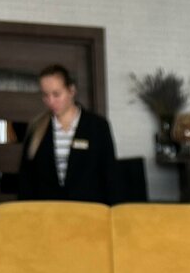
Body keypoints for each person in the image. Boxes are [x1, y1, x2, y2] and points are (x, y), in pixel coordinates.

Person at [17, 64, 120, 202]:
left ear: (71, 90)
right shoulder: (36, 128)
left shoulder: (97, 126)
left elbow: (111, 176)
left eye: (56, 94)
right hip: (48, 211)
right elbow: (26, 180)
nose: (51, 101)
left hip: (89, 210)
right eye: (45, 95)